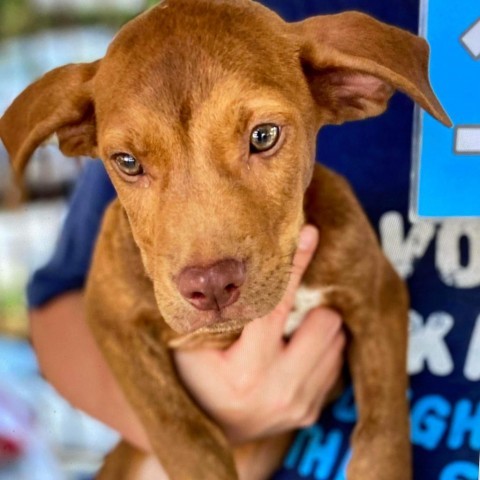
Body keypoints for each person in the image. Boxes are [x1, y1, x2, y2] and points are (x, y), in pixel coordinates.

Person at [28, 1, 480, 479]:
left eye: (262, 138)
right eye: (134, 166)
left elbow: (381, 296)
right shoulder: (170, 58)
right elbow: (64, 309)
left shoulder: (305, 72)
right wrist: (210, 423)